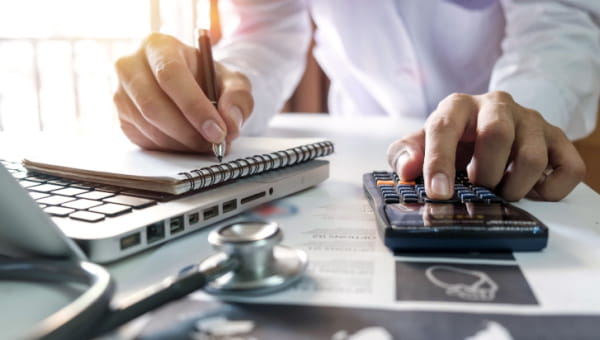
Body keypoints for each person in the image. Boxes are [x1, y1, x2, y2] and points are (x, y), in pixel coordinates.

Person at [113, 0, 600, 201]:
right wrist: (218, 90)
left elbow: (556, 21)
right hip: (360, 143)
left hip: (504, 151)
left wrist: (517, 109)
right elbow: (264, 29)